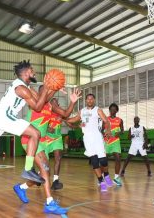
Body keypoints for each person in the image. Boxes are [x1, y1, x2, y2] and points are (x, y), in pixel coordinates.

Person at [13, 87, 80, 215]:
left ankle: (21, 188)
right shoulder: (35, 102)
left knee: (44, 172)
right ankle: (49, 203)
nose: (50, 94)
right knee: (45, 170)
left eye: (51, 92)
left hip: (41, 142)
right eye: (47, 91)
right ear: (41, 93)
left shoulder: (50, 106)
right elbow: (28, 89)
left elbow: (65, 114)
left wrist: (72, 101)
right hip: (30, 139)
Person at [66, 94, 113, 192]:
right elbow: (74, 120)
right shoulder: (82, 111)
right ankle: (101, 181)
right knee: (95, 161)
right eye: (88, 99)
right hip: (87, 139)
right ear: (86, 100)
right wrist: (64, 119)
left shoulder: (98, 110)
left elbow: (106, 121)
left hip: (97, 137)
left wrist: (108, 130)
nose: (90, 101)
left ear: (94, 100)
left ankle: (107, 175)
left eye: (92, 99)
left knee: (103, 161)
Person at [46, 97, 81, 190]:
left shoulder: (61, 115)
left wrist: (78, 125)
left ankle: (55, 181)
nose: (55, 104)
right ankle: (39, 176)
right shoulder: (46, 113)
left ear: (58, 105)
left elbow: (70, 124)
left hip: (57, 139)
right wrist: (46, 128)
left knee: (58, 158)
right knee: (45, 163)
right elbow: (38, 123)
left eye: (56, 103)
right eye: (52, 103)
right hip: (46, 139)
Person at [103, 103, 124, 186]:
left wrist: (119, 132)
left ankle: (116, 178)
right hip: (107, 141)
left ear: (116, 111)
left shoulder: (120, 120)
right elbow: (101, 129)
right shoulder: (105, 119)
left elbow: (122, 130)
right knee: (104, 160)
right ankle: (101, 177)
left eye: (114, 109)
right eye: (111, 109)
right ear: (109, 110)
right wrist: (105, 134)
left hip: (115, 141)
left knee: (118, 157)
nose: (112, 111)